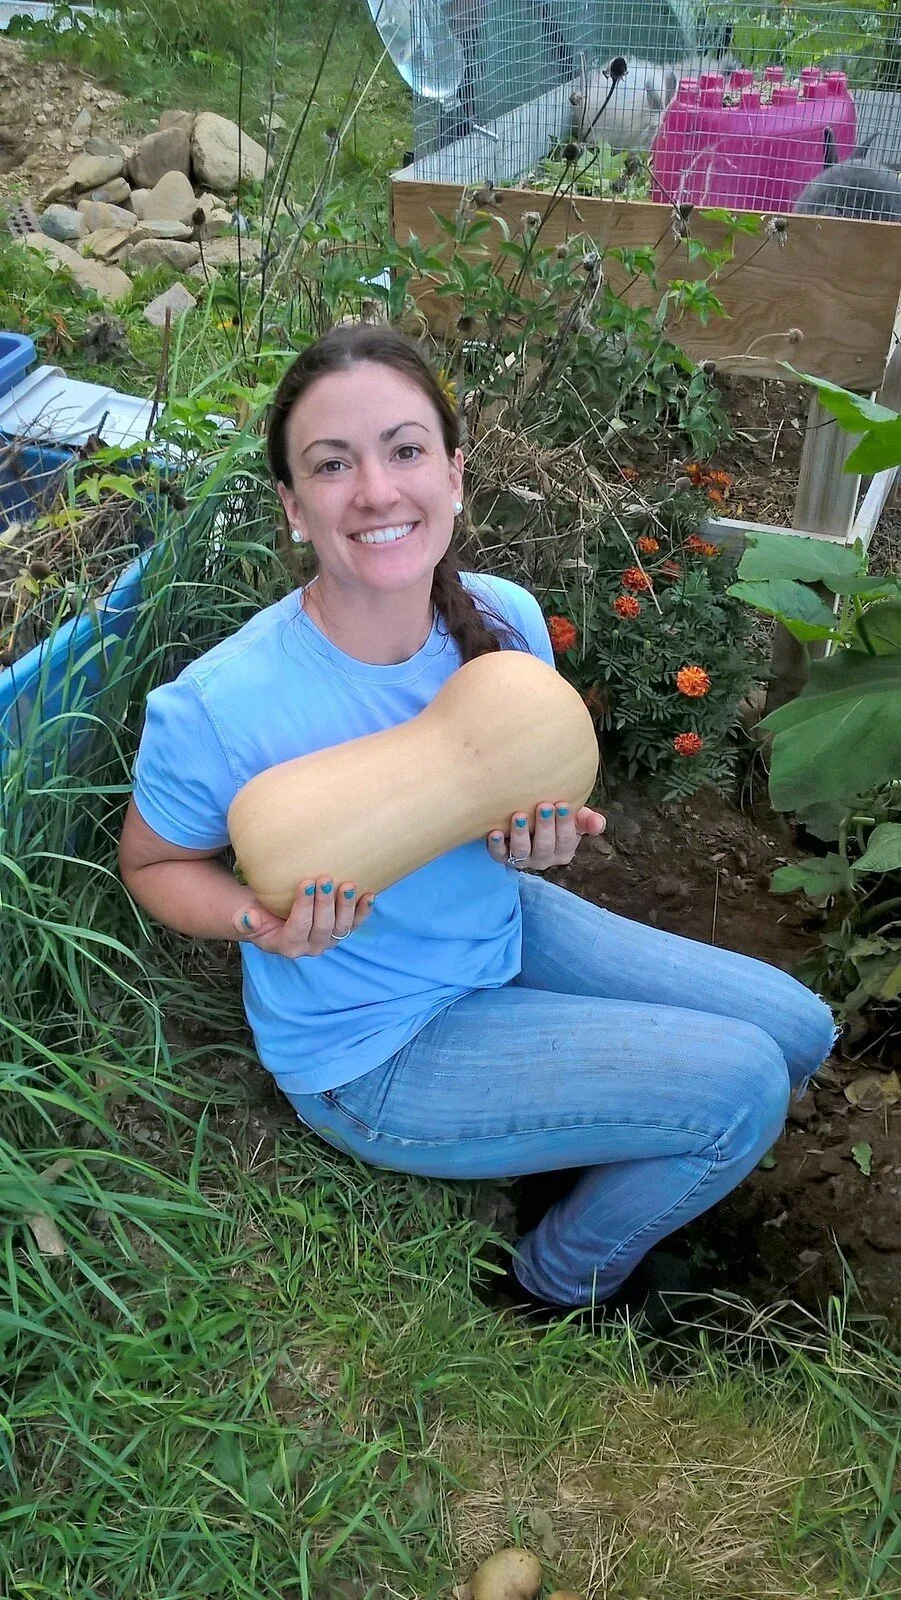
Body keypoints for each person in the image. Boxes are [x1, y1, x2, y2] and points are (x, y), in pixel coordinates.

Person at [119, 323, 836, 1317]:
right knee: (744, 1087)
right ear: (292, 506)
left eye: (404, 450)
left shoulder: (502, 617)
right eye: (333, 465)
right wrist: (260, 922)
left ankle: (579, 1131)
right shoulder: (221, 703)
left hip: (498, 932)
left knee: (800, 1028)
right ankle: (552, 1277)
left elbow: (525, 795)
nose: (375, 490)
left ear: (454, 474)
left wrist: (536, 846)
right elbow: (151, 864)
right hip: (375, 1047)